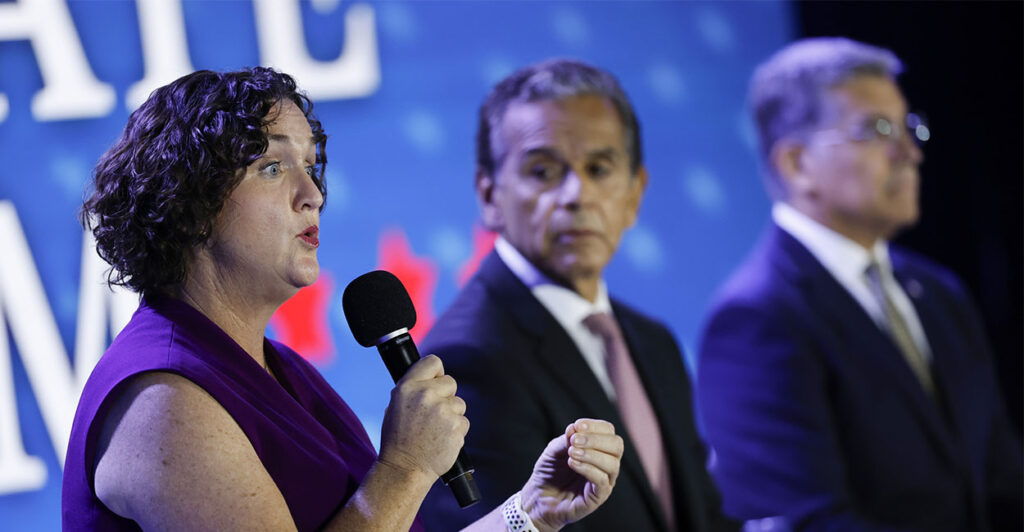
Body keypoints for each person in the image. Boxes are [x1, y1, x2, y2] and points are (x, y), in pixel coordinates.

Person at [62, 67, 625, 532]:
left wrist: (528, 512)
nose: (313, 196)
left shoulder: (276, 369)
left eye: (311, 167)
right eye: (273, 167)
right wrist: (404, 468)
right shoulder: (163, 403)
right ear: (191, 203)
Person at [696, 37, 1023, 531]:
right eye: (877, 129)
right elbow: (808, 522)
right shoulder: (757, 317)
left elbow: (1002, 477)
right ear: (797, 164)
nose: (909, 152)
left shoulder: (938, 294)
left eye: (908, 126)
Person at [418, 59, 737, 532]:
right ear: (489, 195)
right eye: (543, 170)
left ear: (634, 194)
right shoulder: (469, 357)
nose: (576, 194)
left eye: (599, 168)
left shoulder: (652, 341)